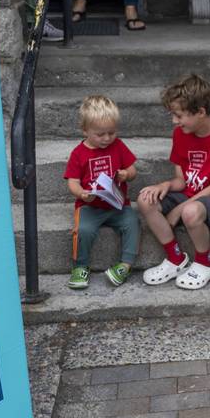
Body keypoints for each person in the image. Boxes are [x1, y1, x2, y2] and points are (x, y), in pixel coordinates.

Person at [137, 75, 210, 290]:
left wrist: (179, 209)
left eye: (178, 115)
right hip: (188, 195)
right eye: (172, 115)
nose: (174, 121)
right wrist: (164, 186)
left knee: (190, 212)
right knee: (145, 199)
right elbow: (182, 181)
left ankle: (205, 263)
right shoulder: (181, 134)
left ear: (200, 112)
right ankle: (175, 258)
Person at [63, 95, 140, 289]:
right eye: (100, 134)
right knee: (83, 230)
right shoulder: (78, 154)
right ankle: (80, 266)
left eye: (111, 132)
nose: (107, 138)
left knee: (133, 222)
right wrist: (82, 193)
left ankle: (125, 265)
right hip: (89, 206)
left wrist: (126, 174)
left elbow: (132, 170)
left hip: (117, 204)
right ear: (85, 130)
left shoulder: (118, 145)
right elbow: (73, 182)